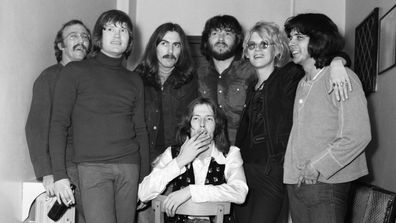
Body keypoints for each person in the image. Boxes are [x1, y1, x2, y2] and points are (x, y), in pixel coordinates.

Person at [233, 20, 352, 223]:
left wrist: (338, 62)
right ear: (246, 52)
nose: (257, 50)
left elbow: (322, 55)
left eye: (265, 44)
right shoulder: (250, 86)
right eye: (252, 45)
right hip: (245, 172)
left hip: (273, 171)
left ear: (277, 49)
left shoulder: (290, 75)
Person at [49, 10, 149, 223]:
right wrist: (59, 175)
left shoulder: (135, 80)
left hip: (130, 167)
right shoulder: (75, 71)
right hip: (92, 168)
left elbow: (140, 129)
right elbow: (58, 124)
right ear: (98, 36)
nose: (117, 34)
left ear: (130, 40)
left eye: (123, 30)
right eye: (110, 28)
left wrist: (144, 179)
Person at [197, 15, 352, 145]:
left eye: (228, 33)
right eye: (215, 34)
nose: (221, 38)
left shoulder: (270, 71)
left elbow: (313, 60)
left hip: (263, 160)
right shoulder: (200, 75)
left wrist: (337, 62)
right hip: (217, 154)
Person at [283, 13, 371, 223]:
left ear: (319, 40)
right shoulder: (301, 83)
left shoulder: (342, 77)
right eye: (290, 37)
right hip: (297, 184)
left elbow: (358, 135)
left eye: (299, 37)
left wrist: (317, 167)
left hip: (327, 185)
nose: (291, 43)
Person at [138, 97, 248, 223]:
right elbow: (143, 193)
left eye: (209, 118)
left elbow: (240, 192)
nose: (202, 124)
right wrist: (180, 161)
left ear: (216, 126)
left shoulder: (230, 154)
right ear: (188, 126)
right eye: (196, 118)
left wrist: (191, 191)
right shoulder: (172, 153)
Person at [25, 19, 90, 223]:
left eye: (85, 36)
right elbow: (35, 128)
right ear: (61, 46)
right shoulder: (48, 79)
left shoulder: (92, 79)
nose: (81, 41)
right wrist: (47, 172)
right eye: (73, 36)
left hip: (93, 164)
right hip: (66, 166)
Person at [134, 22, 198, 223]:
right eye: (164, 43)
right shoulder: (136, 78)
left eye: (176, 45)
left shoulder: (190, 82)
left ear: (182, 50)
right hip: (142, 164)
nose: (170, 50)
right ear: (154, 46)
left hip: (175, 163)